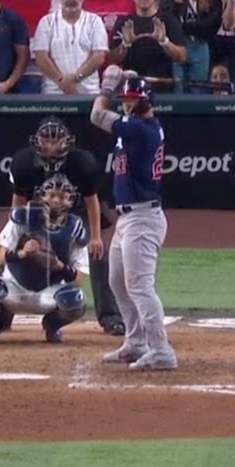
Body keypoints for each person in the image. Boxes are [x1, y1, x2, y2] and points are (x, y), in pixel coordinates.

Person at [88, 68, 178, 371]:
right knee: (117, 281)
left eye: (131, 99)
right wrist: (127, 82)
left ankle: (161, 350)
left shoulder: (140, 129)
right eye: (124, 99)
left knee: (139, 286)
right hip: (128, 218)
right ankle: (136, 342)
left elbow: (96, 115)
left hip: (143, 218)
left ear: (145, 102)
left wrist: (107, 85)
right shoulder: (138, 125)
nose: (126, 104)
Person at [5, 116, 125, 336]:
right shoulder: (23, 162)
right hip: (40, 210)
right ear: (37, 141)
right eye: (47, 140)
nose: (51, 146)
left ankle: (111, 317)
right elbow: (19, 201)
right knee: (13, 251)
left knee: (99, 255)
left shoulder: (82, 162)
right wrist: (18, 232)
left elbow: (91, 201)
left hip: (78, 210)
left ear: (66, 141)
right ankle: (0, 315)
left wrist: (95, 237)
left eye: (56, 140)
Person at [0, 176, 91, 343]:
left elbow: (78, 279)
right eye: (52, 195)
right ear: (42, 196)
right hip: (14, 287)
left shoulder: (75, 227)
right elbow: (1, 258)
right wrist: (22, 253)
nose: (56, 201)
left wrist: (58, 265)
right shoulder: (23, 217)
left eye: (62, 197)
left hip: (49, 292)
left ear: (71, 200)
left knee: (76, 300)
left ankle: (52, 327)